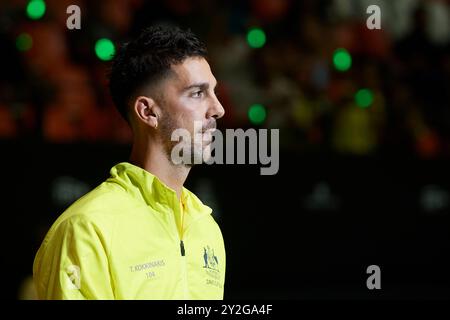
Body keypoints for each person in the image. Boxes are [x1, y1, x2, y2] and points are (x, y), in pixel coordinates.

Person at [33, 25, 226, 300]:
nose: (218, 108)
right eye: (197, 93)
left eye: (214, 92)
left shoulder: (205, 227)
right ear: (148, 111)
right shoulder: (87, 228)